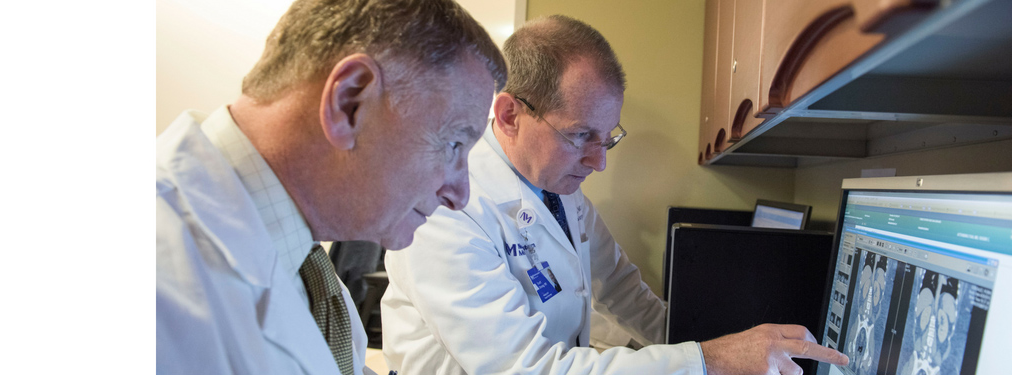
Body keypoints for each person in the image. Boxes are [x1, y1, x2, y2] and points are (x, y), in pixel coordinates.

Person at [379, 15, 850, 375]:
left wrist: (716, 343)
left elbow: (623, 290)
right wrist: (708, 360)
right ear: (508, 115)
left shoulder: (557, 190)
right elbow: (527, 367)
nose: (598, 162)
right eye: (580, 135)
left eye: (606, 138)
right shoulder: (445, 208)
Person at [156, 0, 507, 374]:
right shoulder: (159, 279)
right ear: (350, 101)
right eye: (454, 143)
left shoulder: (307, 265)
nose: (460, 194)